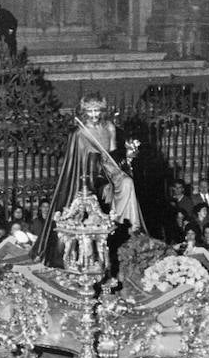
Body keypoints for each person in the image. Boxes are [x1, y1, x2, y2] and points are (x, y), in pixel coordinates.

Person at [32, 93, 144, 267]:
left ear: (102, 111)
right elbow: (78, 161)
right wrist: (95, 163)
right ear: (84, 112)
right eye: (90, 111)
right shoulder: (80, 132)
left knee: (127, 182)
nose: (94, 115)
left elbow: (113, 154)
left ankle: (129, 224)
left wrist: (128, 155)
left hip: (108, 168)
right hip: (89, 172)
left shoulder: (109, 127)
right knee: (102, 189)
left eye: (97, 110)